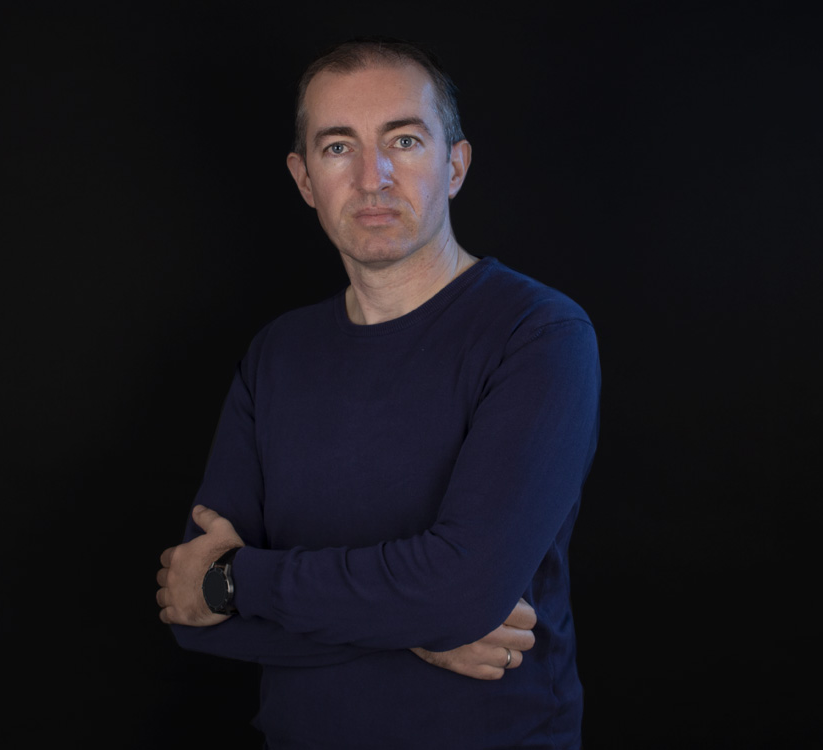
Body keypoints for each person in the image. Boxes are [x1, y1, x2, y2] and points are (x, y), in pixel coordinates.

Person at [156, 37, 600, 749]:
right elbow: (191, 610)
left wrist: (237, 582)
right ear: (305, 179)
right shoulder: (277, 354)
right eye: (339, 147)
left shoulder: (537, 333)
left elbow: (458, 591)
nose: (374, 176)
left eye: (404, 140)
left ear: (455, 165)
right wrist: (422, 630)